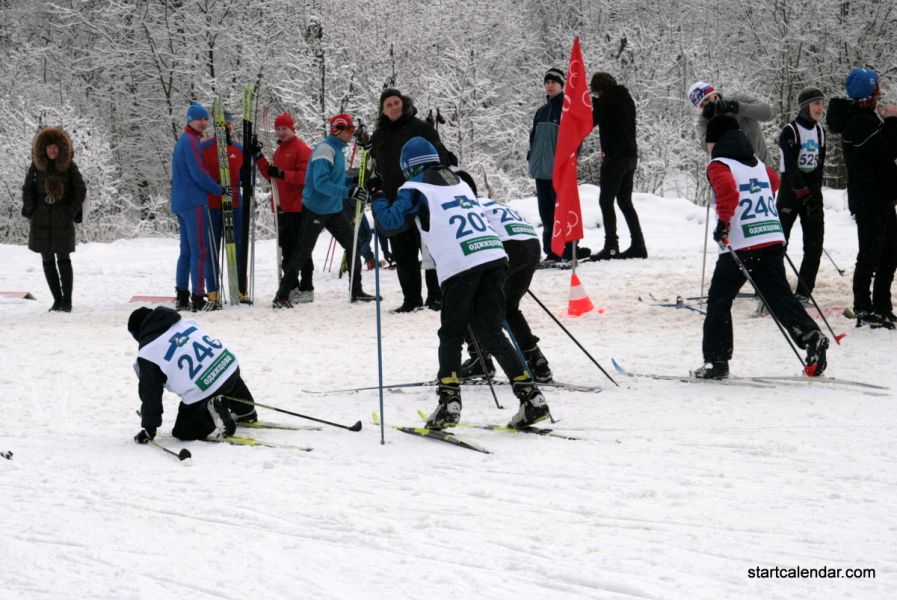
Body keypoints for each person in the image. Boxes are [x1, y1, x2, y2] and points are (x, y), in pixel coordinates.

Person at [372, 137, 551, 429]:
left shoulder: (414, 187)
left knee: (452, 334)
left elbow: (391, 223)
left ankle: (448, 403)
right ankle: (531, 398)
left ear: (406, 167)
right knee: (492, 333)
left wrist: (377, 196)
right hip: (493, 256)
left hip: (460, 264)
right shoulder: (458, 182)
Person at [695, 115, 828, 379]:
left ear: (716, 140)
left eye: (708, 142)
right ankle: (810, 335)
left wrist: (723, 224)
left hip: (742, 244)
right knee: (778, 296)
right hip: (770, 237)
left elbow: (727, 190)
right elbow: (774, 182)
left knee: (719, 301)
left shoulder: (719, 164)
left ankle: (716, 361)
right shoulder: (756, 163)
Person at [453, 169, 554, 383]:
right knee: (509, 308)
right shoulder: (489, 202)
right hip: (531, 244)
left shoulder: (464, 206)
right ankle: (536, 360)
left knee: (467, 301)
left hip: (508, 247)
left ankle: (480, 361)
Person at [271, 114, 374, 308]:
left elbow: (337, 178)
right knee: (302, 251)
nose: (352, 135)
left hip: (333, 208)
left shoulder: (337, 149)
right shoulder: (325, 149)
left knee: (354, 244)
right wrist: (348, 191)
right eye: (349, 131)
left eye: (353, 131)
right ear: (338, 130)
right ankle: (281, 295)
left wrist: (355, 182)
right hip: (316, 209)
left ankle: (356, 290)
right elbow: (321, 183)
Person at [370, 88, 455, 312]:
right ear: (383, 110)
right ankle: (411, 300)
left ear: (404, 103)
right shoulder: (379, 136)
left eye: (396, 102)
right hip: (396, 198)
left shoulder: (422, 128)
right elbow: (377, 167)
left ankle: (436, 296)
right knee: (402, 250)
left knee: (432, 248)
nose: (394, 107)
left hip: (425, 196)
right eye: (388, 105)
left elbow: (440, 155)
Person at [827, 67, 897, 329]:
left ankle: (882, 305)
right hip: (870, 199)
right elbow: (888, 148)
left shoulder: (866, 118)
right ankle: (863, 306)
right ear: (869, 90)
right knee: (871, 253)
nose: (880, 93)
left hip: (882, 197)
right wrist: (892, 120)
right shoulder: (858, 122)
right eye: (876, 88)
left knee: (890, 253)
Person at [128, 305, 257, 444]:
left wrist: (149, 428)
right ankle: (246, 410)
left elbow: (150, 393)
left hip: (204, 388)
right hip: (228, 365)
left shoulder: (148, 352)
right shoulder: (184, 322)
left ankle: (211, 411)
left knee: (182, 431)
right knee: (223, 375)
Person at [528, 68, 591, 264]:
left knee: (563, 210)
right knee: (546, 213)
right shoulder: (541, 111)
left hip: (560, 170)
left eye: (554, 81)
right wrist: (532, 157)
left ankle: (570, 249)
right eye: (547, 81)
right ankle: (552, 251)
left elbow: (576, 138)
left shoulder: (567, 109)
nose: (550, 85)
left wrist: (569, 160)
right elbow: (534, 139)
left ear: (562, 84)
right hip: (541, 170)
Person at [21, 126, 86, 312]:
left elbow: (80, 190)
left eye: (55, 146)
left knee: (63, 259)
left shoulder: (69, 166)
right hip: (40, 221)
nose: (52, 150)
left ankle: (67, 302)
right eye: (49, 146)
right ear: (43, 148)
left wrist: (70, 212)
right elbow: (27, 190)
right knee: (47, 260)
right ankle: (57, 300)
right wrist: (31, 210)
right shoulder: (36, 167)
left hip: (62, 221)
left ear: (61, 148)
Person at [252, 113, 315, 303]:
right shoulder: (279, 151)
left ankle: (307, 287)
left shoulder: (301, 149)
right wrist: (259, 157)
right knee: (286, 251)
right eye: (278, 129)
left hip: (298, 208)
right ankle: (292, 286)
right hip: (281, 207)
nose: (281, 132)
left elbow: (304, 178)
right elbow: (272, 178)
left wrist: (282, 173)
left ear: (292, 129)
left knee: (300, 250)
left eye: (284, 129)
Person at [171, 103, 227, 312]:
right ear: (190, 120)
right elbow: (198, 174)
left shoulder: (183, 141)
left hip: (180, 202)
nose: (204, 123)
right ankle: (198, 296)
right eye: (200, 119)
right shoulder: (191, 142)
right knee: (200, 250)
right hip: (194, 202)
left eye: (206, 119)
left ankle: (182, 295)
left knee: (185, 252)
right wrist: (219, 190)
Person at [775, 87, 828, 304]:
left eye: (822, 105)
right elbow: (790, 167)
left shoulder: (820, 132)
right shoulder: (791, 130)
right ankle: (777, 289)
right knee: (779, 244)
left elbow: (818, 167)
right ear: (806, 106)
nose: (820, 109)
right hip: (791, 192)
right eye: (816, 104)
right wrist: (801, 192)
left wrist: (813, 194)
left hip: (812, 194)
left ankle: (804, 292)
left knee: (815, 244)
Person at [589, 72, 646, 260]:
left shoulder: (606, 101)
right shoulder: (626, 98)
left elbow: (590, 120)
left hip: (615, 158)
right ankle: (638, 244)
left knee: (606, 201)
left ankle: (611, 245)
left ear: (599, 89)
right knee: (624, 201)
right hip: (630, 157)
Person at [200, 111, 244, 309]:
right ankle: (213, 292)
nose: (226, 128)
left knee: (237, 248)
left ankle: (239, 289)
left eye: (229, 125)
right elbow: (199, 175)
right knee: (211, 249)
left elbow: (246, 177)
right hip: (212, 205)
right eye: (221, 125)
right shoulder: (204, 148)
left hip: (234, 206)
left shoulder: (238, 149)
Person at [688, 81, 773, 165]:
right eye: (702, 105)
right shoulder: (704, 121)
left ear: (715, 95)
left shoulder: (739, 99)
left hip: (763, 164)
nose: (706, 104)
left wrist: (736, 107)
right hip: (736, 172)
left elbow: (767, 113)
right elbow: (706, 147)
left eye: (707, 99)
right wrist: (713, 123)